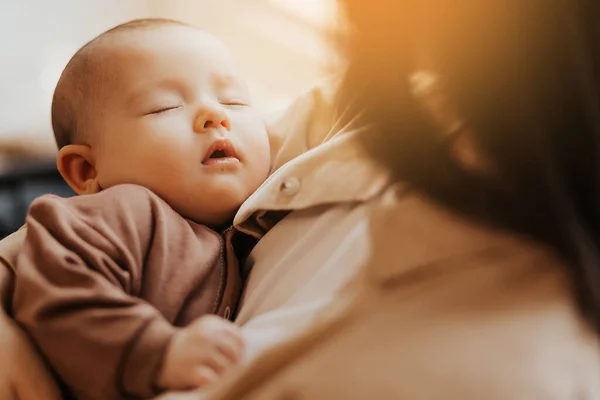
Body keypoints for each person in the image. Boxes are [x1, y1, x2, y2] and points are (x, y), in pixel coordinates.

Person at [10, 18, 270, 400]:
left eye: (233, 100)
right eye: (164, 107)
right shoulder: (122, 213)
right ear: (87, 170)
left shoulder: (252, 225)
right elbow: (59, 301)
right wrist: (159, 353)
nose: (216, 116)